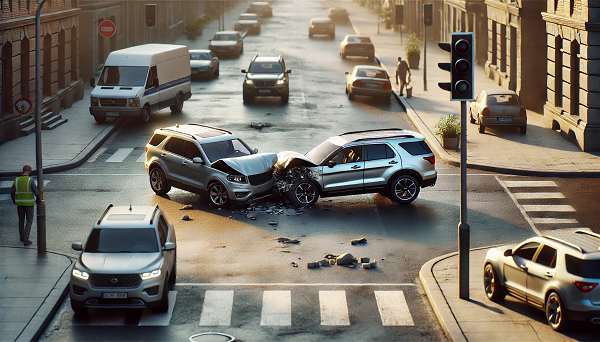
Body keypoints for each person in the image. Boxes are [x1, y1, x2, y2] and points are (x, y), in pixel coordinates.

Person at [10, 165, 39, 246]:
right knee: (29, 220)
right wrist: (39, 198)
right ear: (30, 171)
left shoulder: (17, 180)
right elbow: (36, 191)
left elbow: (12, 192)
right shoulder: (30, 180)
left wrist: (14, 201)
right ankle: (26, 239)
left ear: (23, 171)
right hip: (29, 203)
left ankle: (21, 237)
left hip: (19, 203)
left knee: (21, 219)